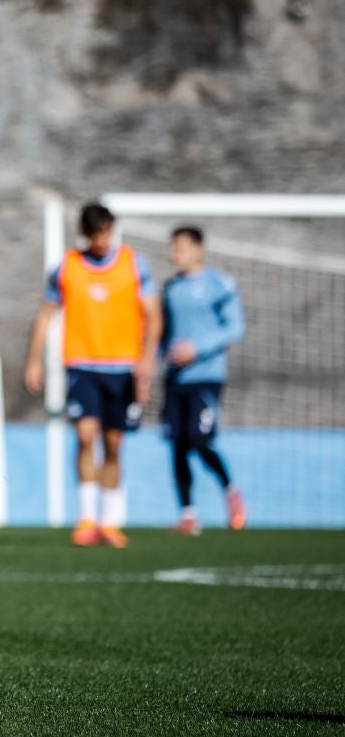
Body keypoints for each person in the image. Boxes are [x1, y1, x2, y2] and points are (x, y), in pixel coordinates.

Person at [25, 202, 162, 548]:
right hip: (82, 366)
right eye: (97, 234)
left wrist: (147, 359)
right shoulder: (67, 267)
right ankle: (86, 518)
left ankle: (109, 521)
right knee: (86, 436)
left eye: (107, 233)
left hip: (122, 368)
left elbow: (153, 315)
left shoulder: (133, 264)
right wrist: (34, 360)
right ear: (85, 234)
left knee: (113, 443)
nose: (103, 240)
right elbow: (46, 314)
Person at [161, 225, 247, 535]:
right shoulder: (171, 288)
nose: (174, 254)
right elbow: (164, 334)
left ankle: (230, 490)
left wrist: (196, 350)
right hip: (175, 379)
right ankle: (187, 514)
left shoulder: (219, 284)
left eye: (180, 247)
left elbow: (235, 327)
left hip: (206, 377)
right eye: (172, 247)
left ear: (198, 249)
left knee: (199, 439)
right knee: (178, 444)